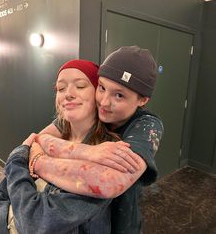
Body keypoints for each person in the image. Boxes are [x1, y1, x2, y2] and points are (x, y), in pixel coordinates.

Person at [0, 59, 136, 234]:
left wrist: (17, 159)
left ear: (97, 95)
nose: (68, 94)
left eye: (80, 86)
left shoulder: (108, 153)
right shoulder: (45, 141)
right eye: (61, 88)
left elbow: (36, 223)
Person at [29, 46, 164, 233]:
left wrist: (37, 162)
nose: (104, 102)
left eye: (119, 95)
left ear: (142, 100)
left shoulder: (146, 125)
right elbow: (36, 139)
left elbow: (108, 182)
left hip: (121, 224)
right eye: (101, 88)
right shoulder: (92, 110)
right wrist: (89, 152)